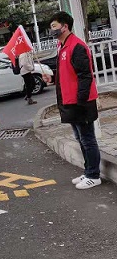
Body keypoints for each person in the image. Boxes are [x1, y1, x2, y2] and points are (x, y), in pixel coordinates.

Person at [48, 11, 101, 189]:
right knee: (80, 138)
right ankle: (88, 171)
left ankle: (94, 175)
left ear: (65, 26)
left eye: (54, 26)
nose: (52, 30)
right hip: (69, 102)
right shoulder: (62, 46)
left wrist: (81, 101)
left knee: (88, 139)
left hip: (80, 102)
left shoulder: (76, 46)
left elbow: (85, 76)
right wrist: (51, 79)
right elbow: (66, 73)